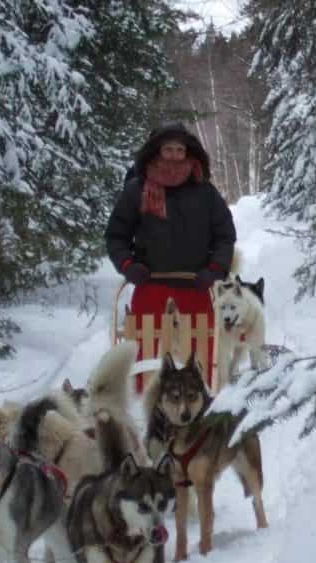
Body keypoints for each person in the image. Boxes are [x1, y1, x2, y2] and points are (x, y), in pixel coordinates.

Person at [106, 122, 236, 390]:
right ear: (156, 152)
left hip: (195, 283)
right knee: (145, 347)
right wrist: (128, 265)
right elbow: (116, 236)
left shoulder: (205, 192)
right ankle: (146, 399)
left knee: (203, 350)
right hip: (150, 281)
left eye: (180, 150)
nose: (175, 156)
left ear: (190, 153)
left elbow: (225, 235)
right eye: (169, 149)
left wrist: (214, 269)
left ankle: (202, 397)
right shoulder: (136, 189)